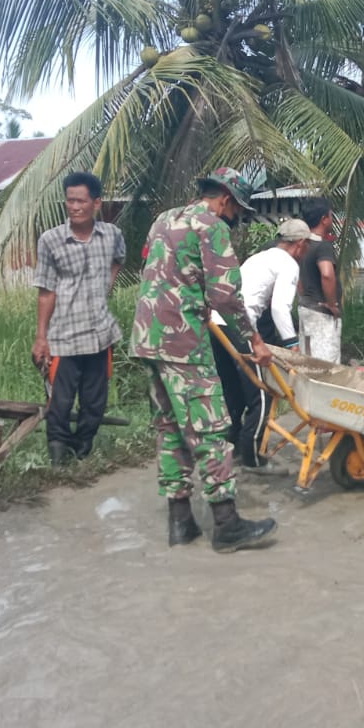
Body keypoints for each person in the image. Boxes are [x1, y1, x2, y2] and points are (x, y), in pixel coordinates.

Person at [131, 167, 276, 553]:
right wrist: (254, 340)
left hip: (147, 337)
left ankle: (180, 522)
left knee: (171, 428)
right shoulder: (212, 226)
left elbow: (159, 270)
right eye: (237, 212)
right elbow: (226, 295)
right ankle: (227, 524)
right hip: (183, 341)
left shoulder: (164, 219)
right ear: (226, 199)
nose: (237, 219)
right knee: (211, 428)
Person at [32, 172, 127, 466]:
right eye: (69, 200)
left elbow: (118, 260)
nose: (74, 207)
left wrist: (105, 288)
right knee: (59, 402)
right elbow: (46, 292)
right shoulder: (50, 241)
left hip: (100, 334)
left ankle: (82, 450)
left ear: (96, 203)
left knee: (94, 402)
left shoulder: (112, 235)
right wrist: (41, 337)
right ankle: (58, 458)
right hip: (63, 336)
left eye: (80, 201)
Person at [212, 218, 318, 470]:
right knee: (262, 394)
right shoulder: (288, 264)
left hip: (217, 324)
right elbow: (280, 308)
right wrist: (292, 344)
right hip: (239, 325)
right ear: (300, 244)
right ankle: (253, 456)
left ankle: (235, 444)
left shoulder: (259, 257)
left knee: (234, 389)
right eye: (307, 246)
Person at [296, 198, 343, 363]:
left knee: (308, 360)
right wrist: (332, 304)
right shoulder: (322, 246)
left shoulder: (300, 245)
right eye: (330, 215)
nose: (331, 219)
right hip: (322, 314)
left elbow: (297, 279)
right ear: (324, 219)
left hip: (305, 308)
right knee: (326, 365)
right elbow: (327, 274)